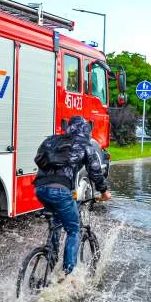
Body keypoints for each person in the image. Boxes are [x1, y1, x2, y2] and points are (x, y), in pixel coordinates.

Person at [34, 116, 111, 275]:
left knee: (56, 222)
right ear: (86, 130)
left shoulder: (52, 141)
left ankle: (51, 256)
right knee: (74, 229)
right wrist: (104, 192)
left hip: (40, 189)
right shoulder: (85, 145)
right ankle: (68, 275)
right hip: (60, 191)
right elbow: (95, 171)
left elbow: (39, 159)